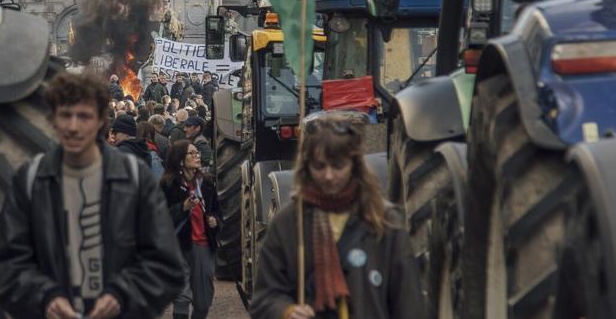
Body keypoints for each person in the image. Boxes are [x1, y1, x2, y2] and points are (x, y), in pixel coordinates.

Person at [0, 72, 184, 319]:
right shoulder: (32, 180)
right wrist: (45, 298)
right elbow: (6, 263)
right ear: (54, 120)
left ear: (102, 121)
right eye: (65, 115)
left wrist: (121, 296)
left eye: (83, 116)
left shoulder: (134, 179)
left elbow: (166, 265)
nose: (73, 126)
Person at [250, 112, 425, 319]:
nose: (329, 176)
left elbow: (410, 304)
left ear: (354, 166)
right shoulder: (288, 223)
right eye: (320, 166)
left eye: (338, 166)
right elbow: (263, 299)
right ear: (307, 166)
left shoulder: (384, 219)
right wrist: (286, 311)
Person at [162, 140, 220, 319]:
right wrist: (182, 208)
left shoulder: (207, 184)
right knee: (182, 296)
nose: (198, 156)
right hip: (178, 245)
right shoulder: (167, 185)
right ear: (180, 160)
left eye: (197, 153)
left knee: (203, 301)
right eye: (192, 154)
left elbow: (218, 212)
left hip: (203, 245)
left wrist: (214, 220)